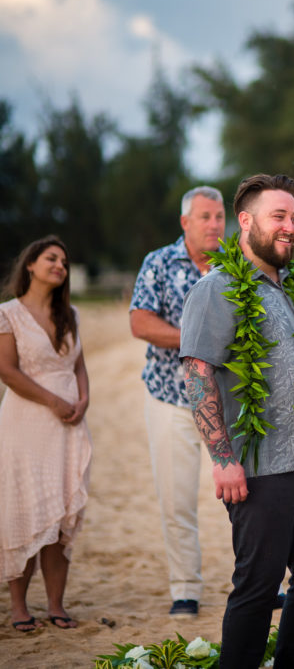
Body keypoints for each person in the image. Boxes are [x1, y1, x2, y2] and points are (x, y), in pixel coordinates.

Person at [179, 174, 294, 669]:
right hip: (258, 468)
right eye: (279, 216)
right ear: (246, 221)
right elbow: (197, 375)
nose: (291, 227)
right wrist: (223, 459)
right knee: (257, 585)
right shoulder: (217, 288)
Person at [128, 185, 225, 616]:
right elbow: (140, 322)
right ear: (185, 222)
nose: (214, 224)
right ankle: (185, 588)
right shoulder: (159, 262)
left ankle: (259, 582)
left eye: (220, 216)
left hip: (229, 402)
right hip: (170, 397)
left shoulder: (237, 265)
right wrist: (195, 343)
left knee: (248, 494)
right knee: (177, 498)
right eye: (205, 217)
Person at [0, 236, 92, 632]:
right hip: (26, 423)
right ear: (31, 266)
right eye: (51, 258)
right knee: (25, 509)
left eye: (65, 262)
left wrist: (84, 399)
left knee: (61, 516)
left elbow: (79, 365)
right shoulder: (8, 313)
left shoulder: (69, 313)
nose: (60, 266)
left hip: (70, 426)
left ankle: (57, 604)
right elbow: (7, 371)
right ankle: (19, 607)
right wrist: (53, 401)